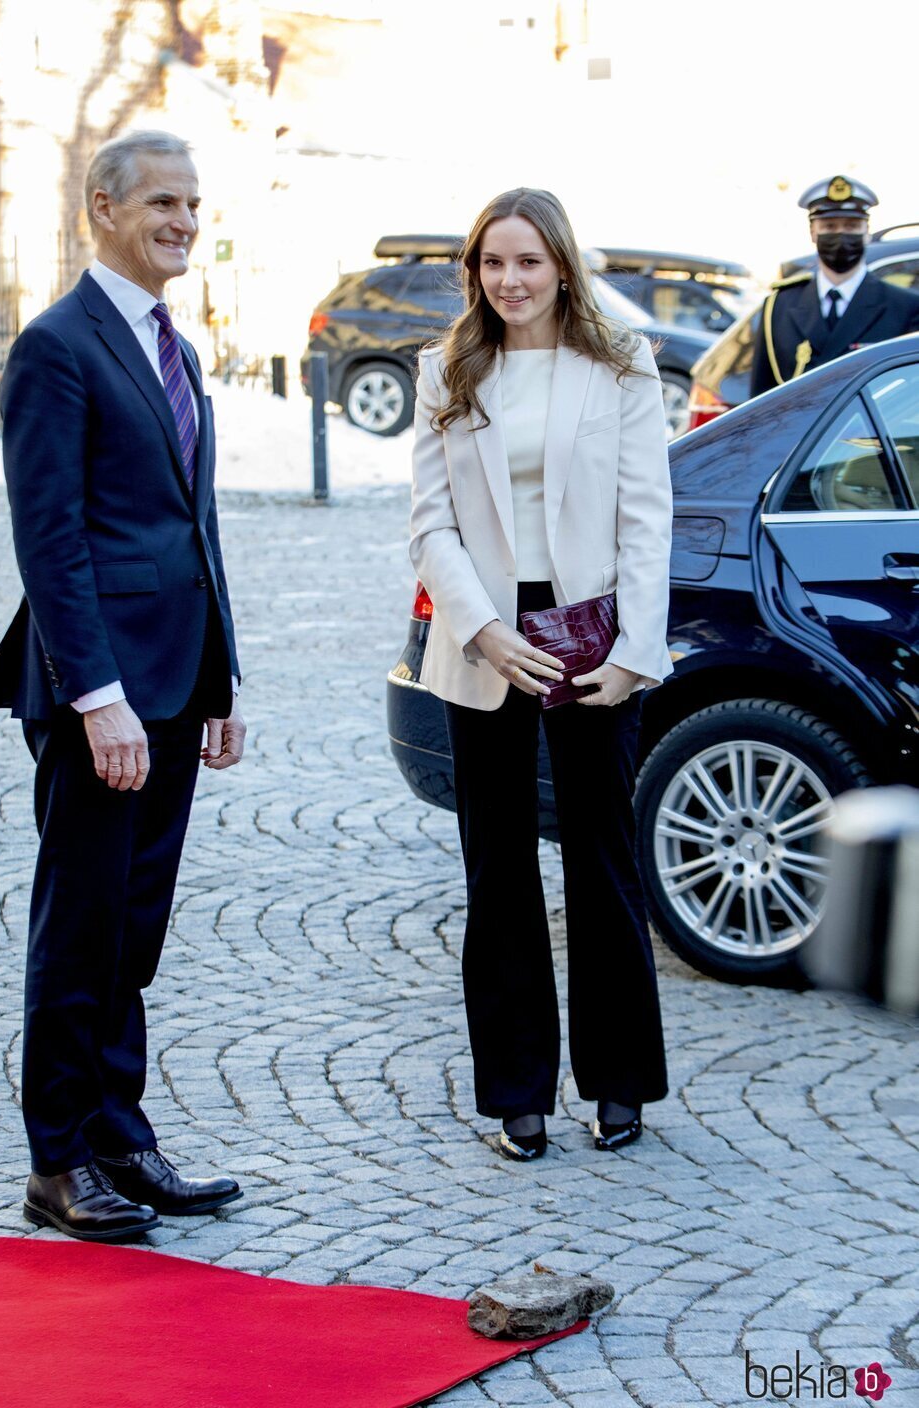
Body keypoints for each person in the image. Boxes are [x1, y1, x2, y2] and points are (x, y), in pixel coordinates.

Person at [0, 131, 247, 1240]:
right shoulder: (57, 347)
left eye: (191, 202)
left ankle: (120, 1137)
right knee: (79, 927)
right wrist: (96, 696)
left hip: (178, 685)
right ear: (102, 208)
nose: (183, 220)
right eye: (163, 203)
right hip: (104, 699)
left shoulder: (173, 348)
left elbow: (198, 528)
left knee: (134, 928)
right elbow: (52, 541)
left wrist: (223, 675)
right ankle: (54, 1163)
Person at [409, 188, 671, 1161]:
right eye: (490, 262)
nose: (508, 280)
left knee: (600, 862)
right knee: (499, 869)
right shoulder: (447, 369)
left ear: (561, 264)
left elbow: (647, 514)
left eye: (526, 260)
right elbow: (428, 525)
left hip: (594, 637)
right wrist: (480, 629)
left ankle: (617, 1082)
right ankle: (516, 1092)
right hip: (486, 643)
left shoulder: (617, 364)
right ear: (473, 272)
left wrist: (633, 651)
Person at [750, 175, 919, 398]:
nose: (841, 235)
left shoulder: (905, 307)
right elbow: (762, 397)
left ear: (866, 232)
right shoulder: (779, 305)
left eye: (851, 226)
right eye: (829, 226)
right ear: (813, 232)